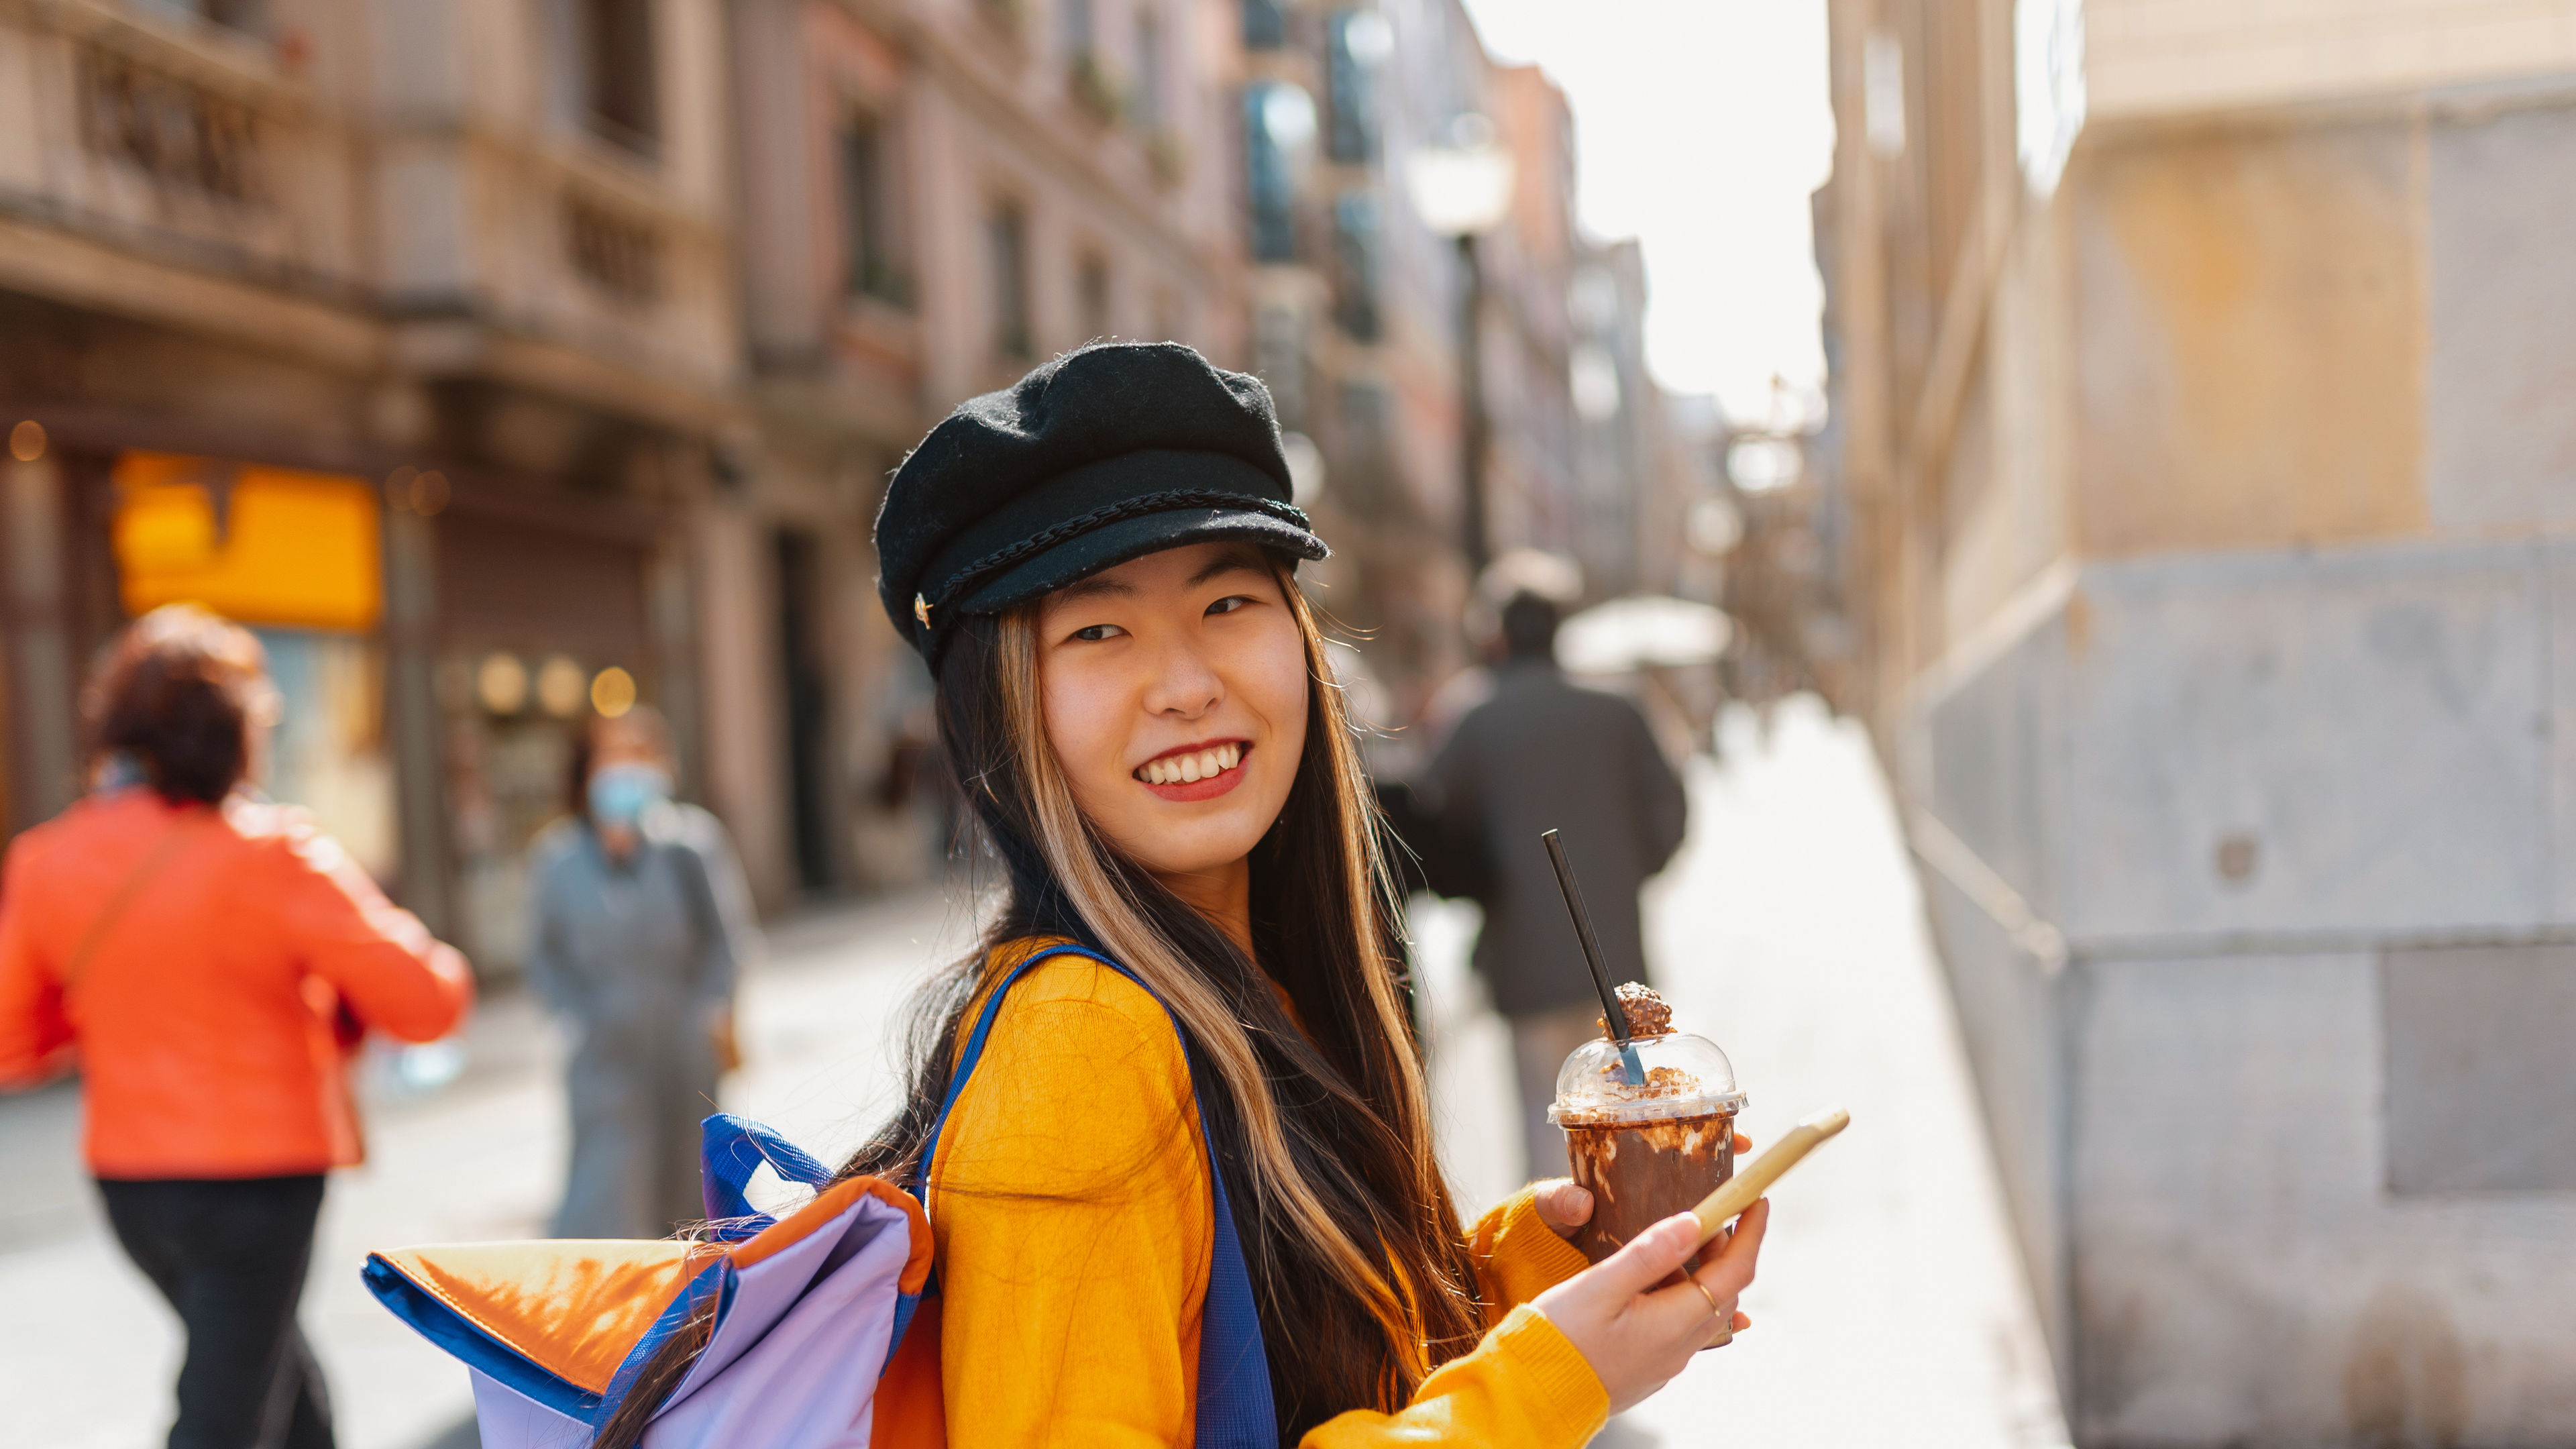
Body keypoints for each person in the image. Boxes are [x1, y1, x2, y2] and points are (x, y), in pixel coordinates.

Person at [590, 342, 1770, 1448]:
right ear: (1004, 711)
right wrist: (1548, 1382)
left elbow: (1306, 1376)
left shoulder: (1257, 982)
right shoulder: (1081, 1045)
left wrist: (1537, 1273)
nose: (1188, 683)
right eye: (1100, 631)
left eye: (1227, 604)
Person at [0, 603, 475, 1449]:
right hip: (259, 1185)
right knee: (227, 1409)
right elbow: (429, 1000)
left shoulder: (47, 859)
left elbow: (12, 1042)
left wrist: (114, 1000)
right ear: (239, 733)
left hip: (132, 1188)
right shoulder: (277, 852)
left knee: (270, 1372)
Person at [1428, 589, 1691, 1184]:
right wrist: (1626, 874)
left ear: (1501, 637)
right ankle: (1636, 1238)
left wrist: (1483, 886)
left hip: (1523, 959)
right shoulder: (1617, 711)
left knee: (1546, 1122)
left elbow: (1427, 821)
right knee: (1628, 1112)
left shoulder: (1475, 718)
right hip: (1614, 955)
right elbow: (1671, 813)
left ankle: (1559, 1252)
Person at [526, 705, 759, 1239]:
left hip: (683, 1047)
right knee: (607, 1195)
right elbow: (543, 959)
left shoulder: (692, 845)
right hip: (604, 1051)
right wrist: (575, 1018)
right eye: (613, 756)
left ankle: (702, 1313)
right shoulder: (555, 861)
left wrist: (710, 1011)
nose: (627, 771)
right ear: (585, 770)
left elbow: (729, 943)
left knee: (696, 1199)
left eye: (640, 756)